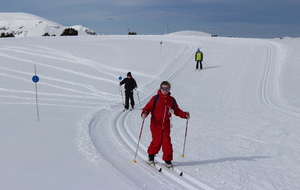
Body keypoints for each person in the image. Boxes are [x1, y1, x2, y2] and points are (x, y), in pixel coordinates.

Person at [141, 81, 190, 169]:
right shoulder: (155, 98)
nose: (165, 91)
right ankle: (151, 157)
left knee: (167, 142)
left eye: (167, 89)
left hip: (166, 125)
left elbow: (177, 110)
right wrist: (144, 113)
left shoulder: (171, 100)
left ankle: (168, 160)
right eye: (163, 89)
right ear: (160, 89)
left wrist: (184, 115)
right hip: (156, 124)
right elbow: (148, 107)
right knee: (156, 141)